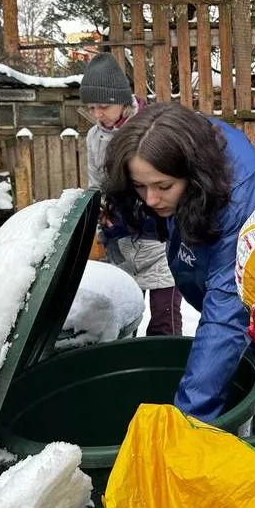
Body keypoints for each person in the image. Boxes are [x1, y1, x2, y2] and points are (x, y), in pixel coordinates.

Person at [102, 101, 255, 433]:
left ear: (195, 176)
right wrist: (119, 221)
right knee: (230, 399)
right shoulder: (180, 155)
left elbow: (226, 318)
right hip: (225, 310)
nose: (150, 199)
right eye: (139, 186)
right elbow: (162, 215)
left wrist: (186, 427)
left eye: (163, 187)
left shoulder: (239, 207)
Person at [81, 52, 183, 335]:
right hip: (121, 241)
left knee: (164, 321)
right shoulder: (95, 137)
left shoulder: (152, 128)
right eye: (92, 108)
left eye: (103, 106)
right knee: (126, 317)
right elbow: (95, 183)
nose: (98, 114)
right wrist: (98, 211)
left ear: (124, 102)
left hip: (158, 239)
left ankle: (164, 371)